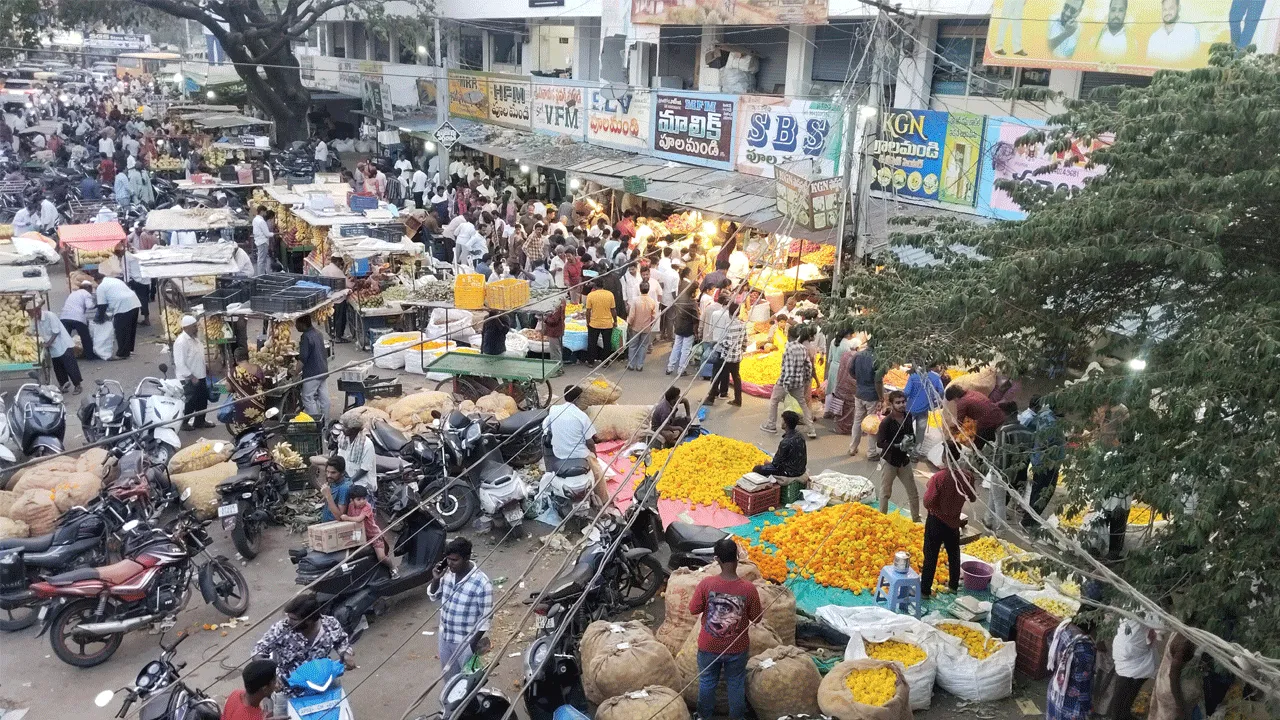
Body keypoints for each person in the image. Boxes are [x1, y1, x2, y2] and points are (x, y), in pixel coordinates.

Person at [689, 538, 763, 720]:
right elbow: (757, 618)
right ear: (737, 558)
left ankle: (703, 716)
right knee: (735, 684)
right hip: (736, 648)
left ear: (717, 560)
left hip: (708, 646)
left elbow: (693, 609)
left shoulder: (706, 584)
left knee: (707, 681)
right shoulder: (749, 589)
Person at [252, 593, 353, 703]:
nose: (288, 621)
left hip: (324, 683)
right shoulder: (281, 629)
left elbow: (341, 641)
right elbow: (257, 652)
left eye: (294, 619)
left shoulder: (330, 624)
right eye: (288, 616)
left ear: (309, 620)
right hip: (289, 691)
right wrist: (272, 677)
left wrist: (345, 654)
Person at [427, 537, 493, 680]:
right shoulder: (447, 574)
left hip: (464, 641)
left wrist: (471, 646)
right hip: (445, 637)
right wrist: (436, 579)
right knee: (449, 679)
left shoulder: (482, 583)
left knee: (467, 681)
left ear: (467, 558)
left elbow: (486, 618)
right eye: (448, 559)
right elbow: (434, 595)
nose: (450, 563)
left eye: (455, 560)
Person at [921, 442, 976, 597]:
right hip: (953, 522)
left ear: (944, 457)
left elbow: (927, 502)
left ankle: (925, 590)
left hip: (936, 521)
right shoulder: (967, 477)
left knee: (931, 556)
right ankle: (953, 586)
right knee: (954, 554)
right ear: (958, 457)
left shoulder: (939, 478)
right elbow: (972, 497)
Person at [762, 325, 818, 439]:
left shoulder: (788, 348)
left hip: (785, 382)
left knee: (774, 401)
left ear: (788, 335)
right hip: (799, 382)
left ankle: (771, 424)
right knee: (803, 405)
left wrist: (787, 386)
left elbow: (789, 369)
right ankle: (811, 429)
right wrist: (806, 380)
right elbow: (808, 366)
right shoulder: (802, 348)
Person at [875, 391, 919, 521]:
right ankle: (882, 519)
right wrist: (898, 445)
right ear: (891, 404)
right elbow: (880, 443)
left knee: (913, 492)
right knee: (885, 492)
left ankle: (916, 518)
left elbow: (911, 432)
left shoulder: (908, 416)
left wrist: (911, 440)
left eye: (903, 402)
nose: (901, 405)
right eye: (898, 403)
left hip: (904, 461)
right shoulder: (887, 422)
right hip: (890, 461)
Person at [987, 400, 1031, 527]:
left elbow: (1002, 455)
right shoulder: (1027, 431)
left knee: (999, 501)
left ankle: (1001, 529)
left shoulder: (1004, 431)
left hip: (1002, 471)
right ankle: (987, 519)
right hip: (1019, 472)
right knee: (994, 495)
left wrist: (1002, 474)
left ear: (1006, 414)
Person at [1111, 617, 1163, 720]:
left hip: (1127, 652)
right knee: (1125, 692)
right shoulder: (1145, 611)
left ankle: (1123, 714)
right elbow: (1161, 626)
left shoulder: (1130, 609)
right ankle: (1121, 715)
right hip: (1131, 655)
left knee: (1125, 693)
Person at [1023, 396, 1064, 527]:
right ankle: (1028, 522)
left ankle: (1029, 519)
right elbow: (1047, 443)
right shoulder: (1050, 422)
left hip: (1039, 460)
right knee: (1044, 493)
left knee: (1037, 491)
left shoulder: (1045, 415)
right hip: (1047, 463)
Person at [31, 298, 82, 394]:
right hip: (53, 348)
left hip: (63, 344)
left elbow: (56, 331)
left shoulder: (50, 315)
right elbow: (31, 331)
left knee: (70, 366)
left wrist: (48, 344)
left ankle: (78, 385)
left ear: (38, 310)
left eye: (34, 312)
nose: (34, 315)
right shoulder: (35, 320)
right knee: (58, 368)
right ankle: (64, 385)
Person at [173, 315, 214, 430]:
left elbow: (198, 355)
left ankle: (200, 421)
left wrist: (205, 367)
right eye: (194, 326)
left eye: (196, 326)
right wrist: (191, 376)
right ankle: (184, 423)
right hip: (189, 378)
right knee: (190, 401)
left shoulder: (195, 339)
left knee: (202, 400)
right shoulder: (181, 342)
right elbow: (179, 363)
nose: (196, 328)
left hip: (200, 375)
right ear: (186, 328)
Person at [343, 485, 394, 573]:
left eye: (364, 498)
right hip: (360, 534)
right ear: (352, 500)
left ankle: (392, 567)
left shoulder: (367, 506)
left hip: (374, 535)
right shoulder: (351, 506)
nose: (362, 501)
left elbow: (359, 519)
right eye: (358, 499)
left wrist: (346, 518)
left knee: (381, 557)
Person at [847, 342, 883, 456]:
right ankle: (871, 452)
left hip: (859, 393)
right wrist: (881, 398)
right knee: (872, 424)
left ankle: (853, 447)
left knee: (857, 421)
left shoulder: (858, 355)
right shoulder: (877, 359)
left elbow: (850, 370)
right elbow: (878, 381)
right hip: (872, 395)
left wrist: (859, 380)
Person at [708, 302, 746, 406]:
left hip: (727, 357)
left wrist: (719, 343)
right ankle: (738, 400)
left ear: (729, 313)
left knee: (717, 375)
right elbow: (745, 340)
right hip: (737, 356)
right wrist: (741, 350)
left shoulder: (728, 326)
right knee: (736, 378)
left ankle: (711, 398)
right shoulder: (743, 325)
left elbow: (728, 343)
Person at [945, 384, 1006, 448]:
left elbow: (959, 423)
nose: (955, 402)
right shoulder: (973, 393)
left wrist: (951, 430)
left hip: (989, 422)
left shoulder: (962, 402)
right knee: (988, 438)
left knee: (977, 445)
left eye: (954, 400)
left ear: (955, 397)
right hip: (999, 415)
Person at [96, 274, 141, 360]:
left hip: (123, 307)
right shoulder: (115, 280)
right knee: (130, 329)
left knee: (121, 331)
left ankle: (122, 353)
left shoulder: (101, 287)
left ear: (97, 280)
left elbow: (101, 306)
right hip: (134, 302)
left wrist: (99, 318)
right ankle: (129, 350)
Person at [753, 411, 807, 478]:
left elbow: (775, 463)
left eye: (782, 421)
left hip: (790, 472)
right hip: (801, 469)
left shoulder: (785, 442)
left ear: (785, 424)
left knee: (757, 468)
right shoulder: (800, 435)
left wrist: (768, 463)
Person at [903, 361, 944, 449]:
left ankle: (905, 449)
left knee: (906, 430)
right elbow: (941, 391)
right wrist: (934, 403)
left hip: (910, 409)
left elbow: (906, 392)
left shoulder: (913, 375)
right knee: (920, 432)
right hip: (924, 410)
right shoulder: (936, 377)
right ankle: (916, 452)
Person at [297, 314, 329, 425]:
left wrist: (295, 372)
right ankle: (326, 422)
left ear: (302, 324)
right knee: (324, 397)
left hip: (312, 372)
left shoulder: (306, 337)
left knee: (307, 397)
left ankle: (315, 423)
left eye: (297, 324)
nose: (296, 326)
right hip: (323, 370)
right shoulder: (318, 333)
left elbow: (303, 358)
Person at [667, 279, 699, 376]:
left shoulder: (680, 300)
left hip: (679, 326)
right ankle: (681, 370)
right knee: (685, 350)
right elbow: (696, 319)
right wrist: (696, 332)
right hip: (688, 329)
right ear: (693, 292)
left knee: (676, 347)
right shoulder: (693, 304)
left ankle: (670, 367)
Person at [337, 417, 377, 493]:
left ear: (354, 430)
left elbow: (364, 469)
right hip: (347, 477)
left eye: (345, 427)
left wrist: (349, 482)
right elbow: (340, 459)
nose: (342, 429)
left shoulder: (367, 444)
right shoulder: (343, 439)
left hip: (362, 482)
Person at [60, 280, 97, 361]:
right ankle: (89, 355)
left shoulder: (73, 293)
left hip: (64, 317)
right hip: (78, 317)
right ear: (89, 288)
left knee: (65, 338)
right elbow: (89, 306)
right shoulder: (86, 293)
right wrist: (96, 304)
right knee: (85, 337)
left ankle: (65, 356)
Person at [625, 280, 658, 371]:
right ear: (648, 289)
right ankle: (640, 365)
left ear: (640, 289)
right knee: (643, 346)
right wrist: (650, 325)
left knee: (633, 345)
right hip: (646, 328)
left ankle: (631, 364)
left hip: (635, 327)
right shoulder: (652, 301)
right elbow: (654, 316)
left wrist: (629, 324)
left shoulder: (635, 301)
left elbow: (632, 315)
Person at [320, 255, 352, 343]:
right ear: (337, 261)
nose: (341, 264)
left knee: (331, 318)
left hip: (328, 297)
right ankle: (338, 337)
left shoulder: (324, 269)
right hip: (338, 298)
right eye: (340, 262)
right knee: (339, 318)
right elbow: (349, 285)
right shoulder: (337, 271)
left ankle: (332, 335)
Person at [584, 280, 616, 365]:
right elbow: (613, 310)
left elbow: (588, 311)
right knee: (607, 343)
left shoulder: (591, 295)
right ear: (603, 285)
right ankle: (606, 362)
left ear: (594, 286)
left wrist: (588, 322)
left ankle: (590, 362)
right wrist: (615, 321)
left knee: (592, 343)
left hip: (594, 323)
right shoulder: (610, 294)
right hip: (607, 323)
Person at [319, 456, 351, 522]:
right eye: (327, 472)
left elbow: (340, 517)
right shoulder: (333, 481)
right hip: (326, 524)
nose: (329, 475)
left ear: (342, 473)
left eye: (333, 473)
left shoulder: (344, 488)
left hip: (334, 525)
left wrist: (328, 496)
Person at [542, 297, 566, 366]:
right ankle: (558, 365)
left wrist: (545, 319)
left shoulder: (558, 311)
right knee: (557, 350)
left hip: (554, 332)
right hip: (557, 331)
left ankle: (557, 366)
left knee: (554, 351)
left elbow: (553, 321)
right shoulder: (559, 309)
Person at [252, 206, 274, 275]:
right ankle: (261, 275)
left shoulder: (255, 219)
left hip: (258, 241)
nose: (265, 213)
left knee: (261, 259)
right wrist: (275, 234)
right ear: (262, 211)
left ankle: (261, 273)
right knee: (262, 260)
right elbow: (267, 234)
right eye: (265, 212)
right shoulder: (261, 221)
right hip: (263, 242)